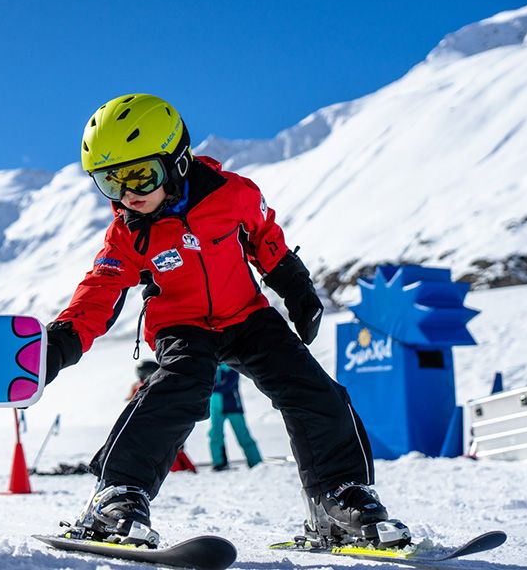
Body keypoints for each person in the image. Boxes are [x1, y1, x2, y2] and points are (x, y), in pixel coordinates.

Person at [43, 93, 408, 549]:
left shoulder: (233, 194)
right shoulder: (127, 232)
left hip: (247, 316)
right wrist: (62, 341)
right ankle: (118, 494)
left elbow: (265, 238)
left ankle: (339, 499)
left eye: (139, 175)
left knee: (312, 388)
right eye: (109, 182)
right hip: (182, 324)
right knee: (180, 386)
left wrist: (295, 286)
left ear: (176, 161)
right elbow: (100, 290)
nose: (128, 195)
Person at [129, 360, 197, 473]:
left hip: (160, 426)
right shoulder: (143, 387)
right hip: (153, 428)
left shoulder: (151, 386)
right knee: (169, 452)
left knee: (173, 450)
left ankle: (185, 470)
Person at [209, 362, 262, 471]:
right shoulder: (212, 367)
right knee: (215, 435)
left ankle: (256, 462)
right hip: (215, 407)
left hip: (233, 406)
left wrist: (212, 388)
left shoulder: (231, 366)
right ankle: (219, 463)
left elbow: (228, 385)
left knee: (243, 435)